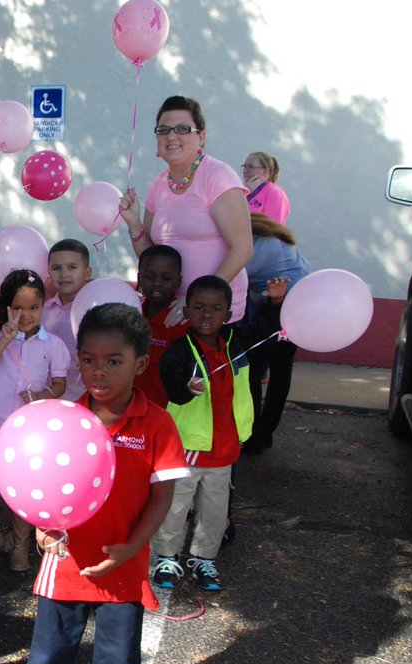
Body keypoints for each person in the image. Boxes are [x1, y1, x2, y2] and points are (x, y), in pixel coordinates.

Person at [13, 304, 188, 664]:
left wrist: (134, 548)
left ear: (140, 364)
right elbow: (37, 485)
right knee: (51, 645)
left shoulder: (156, 424)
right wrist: (42, 530)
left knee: (118, 652)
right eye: (88, 360)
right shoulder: (63, 420)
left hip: (122, 569)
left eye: (114, 360)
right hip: (66, 562)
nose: (98, 371)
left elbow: (163, 494)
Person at [154, 276, 254, 591]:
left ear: (229, 313)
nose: (207, 315)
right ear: (186, 311)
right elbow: (171, 382)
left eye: (215, 308)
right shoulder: (180, 350)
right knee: (175, 506)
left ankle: (204, 559)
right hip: (188, 447)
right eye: (198, 308)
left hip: (224, 448)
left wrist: (277, 304)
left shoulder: (235, 344)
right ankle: (166, 557)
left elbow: (267, 332)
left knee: (214, 510)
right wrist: (186, 388)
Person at [120, 95, 254, 324]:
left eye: (182, 129)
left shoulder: (218, 177)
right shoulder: (157, 186)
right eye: (163, 130)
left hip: (214, 316)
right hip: (171, 311)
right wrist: (134, 224)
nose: (171, 136)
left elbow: (243, 249)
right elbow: (152, 257)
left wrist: (198, 300)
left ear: (201, 137)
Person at [0, 270, 69, 572]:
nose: (25, 315)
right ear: (6, 308)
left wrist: (42, 395)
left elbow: (60, 384)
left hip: (31, 433)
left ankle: (20, 544)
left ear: (43, 307)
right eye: (18, 308)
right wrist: (6, 338)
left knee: (26, 488)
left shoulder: (53, 344)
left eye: (34, 308)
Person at [240, 214, 309, 452]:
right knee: (280, 370)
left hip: (281, 307)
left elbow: (234, 272)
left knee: (254, 370)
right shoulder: (273, 238)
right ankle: (263, 434)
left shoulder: (263, 247)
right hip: (296, 306)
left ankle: (255, 434)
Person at [133, 245, 186, 407]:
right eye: (149, 276)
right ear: (139, 278)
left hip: (166, 414)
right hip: (129, 406)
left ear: (179, 282)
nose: (157, 283)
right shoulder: (130, 313)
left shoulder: (182, 323)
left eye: (166, 278)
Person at [42, 239, 93, 401]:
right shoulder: (42, 311)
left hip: (82, 398)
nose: (64, 275)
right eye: (57, 268)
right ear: (48, 272)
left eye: (72, 267)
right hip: (45, 396)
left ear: (87, 273)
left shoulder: (95, 311)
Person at [242, 150, 291, 224]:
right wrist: (242, 193)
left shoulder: (275, 194)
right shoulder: (242, 190)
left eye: (251, 167)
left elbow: (272, 227)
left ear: (265, 171)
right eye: (244, 166)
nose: (246, 170)